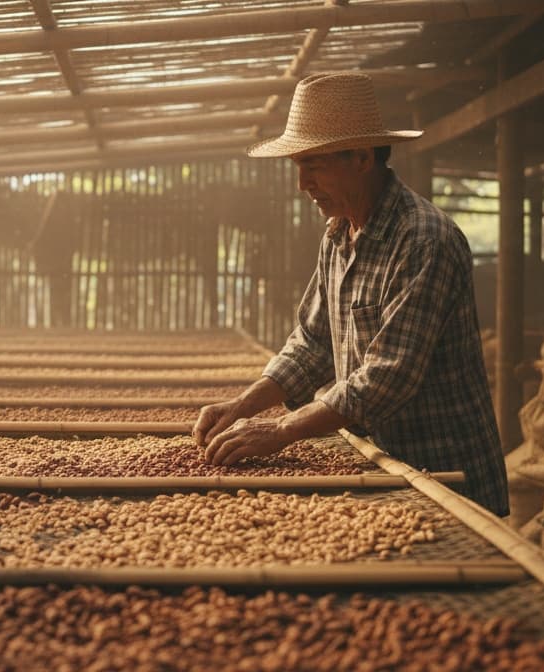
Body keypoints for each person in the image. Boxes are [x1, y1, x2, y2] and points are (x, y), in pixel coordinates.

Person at [192, 71, 508, 516]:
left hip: (443, 473)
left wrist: (282, 430)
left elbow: (388, 376)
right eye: (298, 167)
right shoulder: (338, 234)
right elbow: (313, 341)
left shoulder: (424, 239)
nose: (303, 184)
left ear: (361, 158)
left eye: (314, 165)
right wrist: (242, 405)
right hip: (380, 465)